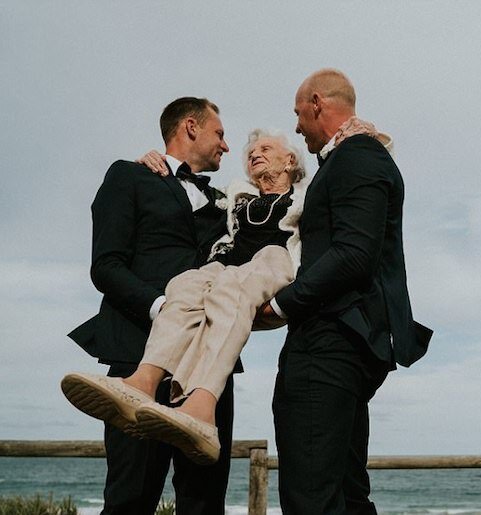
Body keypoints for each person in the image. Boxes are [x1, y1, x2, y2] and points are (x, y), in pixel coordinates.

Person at [63, 129, 306, 466]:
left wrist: (369, 137)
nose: (254, 154)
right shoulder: (233, 195)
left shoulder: (308, 195)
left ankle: (202, 407)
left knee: (230, 287)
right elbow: (180, 191)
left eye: (265, 148)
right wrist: (152, 162)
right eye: (251, 152)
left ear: (289, 160)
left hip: (274, 258)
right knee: (185, 284)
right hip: (227, 265)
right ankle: (142, 383)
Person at [261, 69, 434, 514]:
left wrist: (280, 304)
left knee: (311, 496)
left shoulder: (358, 156)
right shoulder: (354, 157)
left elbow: (354, 254)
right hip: (347, 341)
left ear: (317, 103)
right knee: (346, 492)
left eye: (298, 113)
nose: (297, 126)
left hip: (330, 341)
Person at [64, 97, 234, 514]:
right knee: (130, 498)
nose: (226, 146)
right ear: (190, 127)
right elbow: (106, 265)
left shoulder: (228, 203)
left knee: (205, 501)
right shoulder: (130, 176)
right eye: (219, 133)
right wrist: (165, 311)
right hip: (137, 352)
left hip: (208, 370)